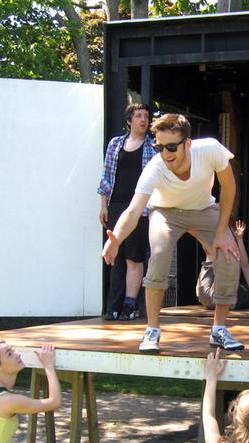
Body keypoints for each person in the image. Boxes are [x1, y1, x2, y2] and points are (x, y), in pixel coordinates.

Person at [102, 113, 243, 353]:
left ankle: (219, 329)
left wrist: (222, 231)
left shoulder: (210, 150)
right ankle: (152, 330)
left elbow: (229, 187)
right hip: (166, 212)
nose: (165, 154)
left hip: (203, 209)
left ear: (187, 143)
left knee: (229, 255)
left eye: (171, 147)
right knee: (159, 255)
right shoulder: (155, 167)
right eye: (159, 147)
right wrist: (116, 239)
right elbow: (134, 210)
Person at [97, 103, 157, 321]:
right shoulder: (115, 144)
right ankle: (113, 306)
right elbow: (106, 177)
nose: (143, 120)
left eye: (146, 116)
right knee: (115, 255)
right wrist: (104, 205)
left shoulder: (153, 147)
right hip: (116, 205)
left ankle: (129, 306)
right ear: (129, 120)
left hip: (140, 209)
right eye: (138, 116)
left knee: (134, 257)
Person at [196, 220, 249, 310]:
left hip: (217, 298)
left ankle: (215, 232)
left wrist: (239, 239)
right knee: (213, 255)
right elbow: (245, 266)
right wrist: (239, 239)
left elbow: (245, 266)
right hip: (211, 298)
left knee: (218, 255)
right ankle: (216, 233)